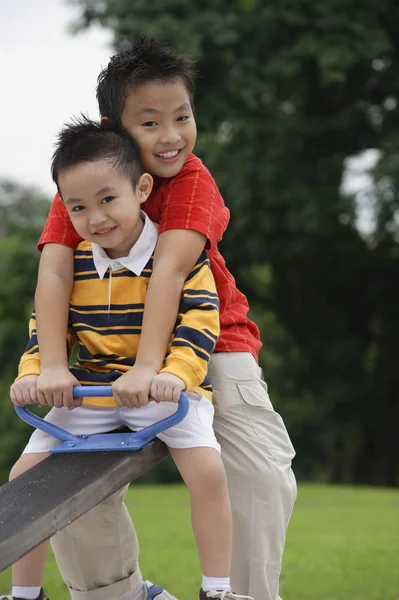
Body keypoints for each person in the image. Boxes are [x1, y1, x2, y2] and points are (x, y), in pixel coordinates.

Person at [18, 36, 296, 600]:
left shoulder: (191, 180)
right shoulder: (85, 180)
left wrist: (151, 367)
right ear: (113, 126)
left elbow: (171, 276)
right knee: (63, 477)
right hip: (109, 350)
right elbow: (53, 276)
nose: (171, 136)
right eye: (149, 122)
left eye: (182, 116)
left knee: (258, 476)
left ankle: (236, 593)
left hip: (212, 340)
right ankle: (112, 595)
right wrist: (49, 365)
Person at [4, 118, 253, 600]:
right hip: (93, 393)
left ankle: (217, 588)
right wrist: (34, 374)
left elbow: (199, 325)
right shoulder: (74, 265)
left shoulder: (178, 256)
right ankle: (25, 594)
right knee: (23, 477)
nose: (95, 218)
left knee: (207, 470)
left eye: (106, 199)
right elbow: (47, 330)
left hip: (162, 391)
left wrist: (174, 376)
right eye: (77, 207)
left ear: (141, 189)